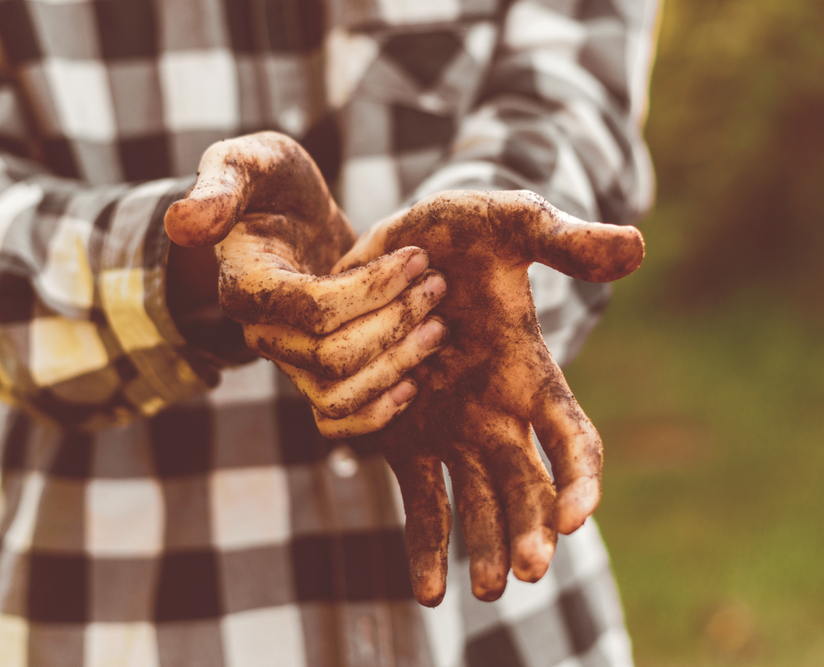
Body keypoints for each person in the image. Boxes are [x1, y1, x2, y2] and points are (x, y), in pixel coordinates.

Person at [0, 0, 657, 665]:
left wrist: (478, 246)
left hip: (504, 621)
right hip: (129, 613)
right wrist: (182, 264)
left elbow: (573, 96)